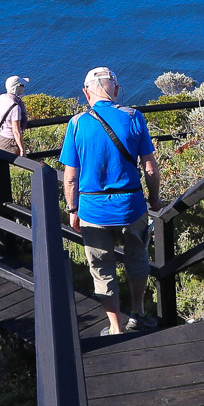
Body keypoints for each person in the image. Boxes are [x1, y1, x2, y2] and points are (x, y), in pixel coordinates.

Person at [59, 67, 161, 336]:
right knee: (137, 259)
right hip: (131, 205)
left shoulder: (77, 124)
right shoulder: (134, 117)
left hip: (93, 210)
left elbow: (70, 177)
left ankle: (115, 327)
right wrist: (155, 199)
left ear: (85, 92)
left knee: (102, 268)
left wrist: (72, 210)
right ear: (115, 89)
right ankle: (138, 311)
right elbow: (149, 167)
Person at [0, 75, 30, 197]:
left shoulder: (2, 97)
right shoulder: (16, 106)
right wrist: (22, 149)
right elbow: (16, 131)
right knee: (1, 171)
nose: (24, 88)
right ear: (17, 88)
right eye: (22, 85)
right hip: (9, 141)